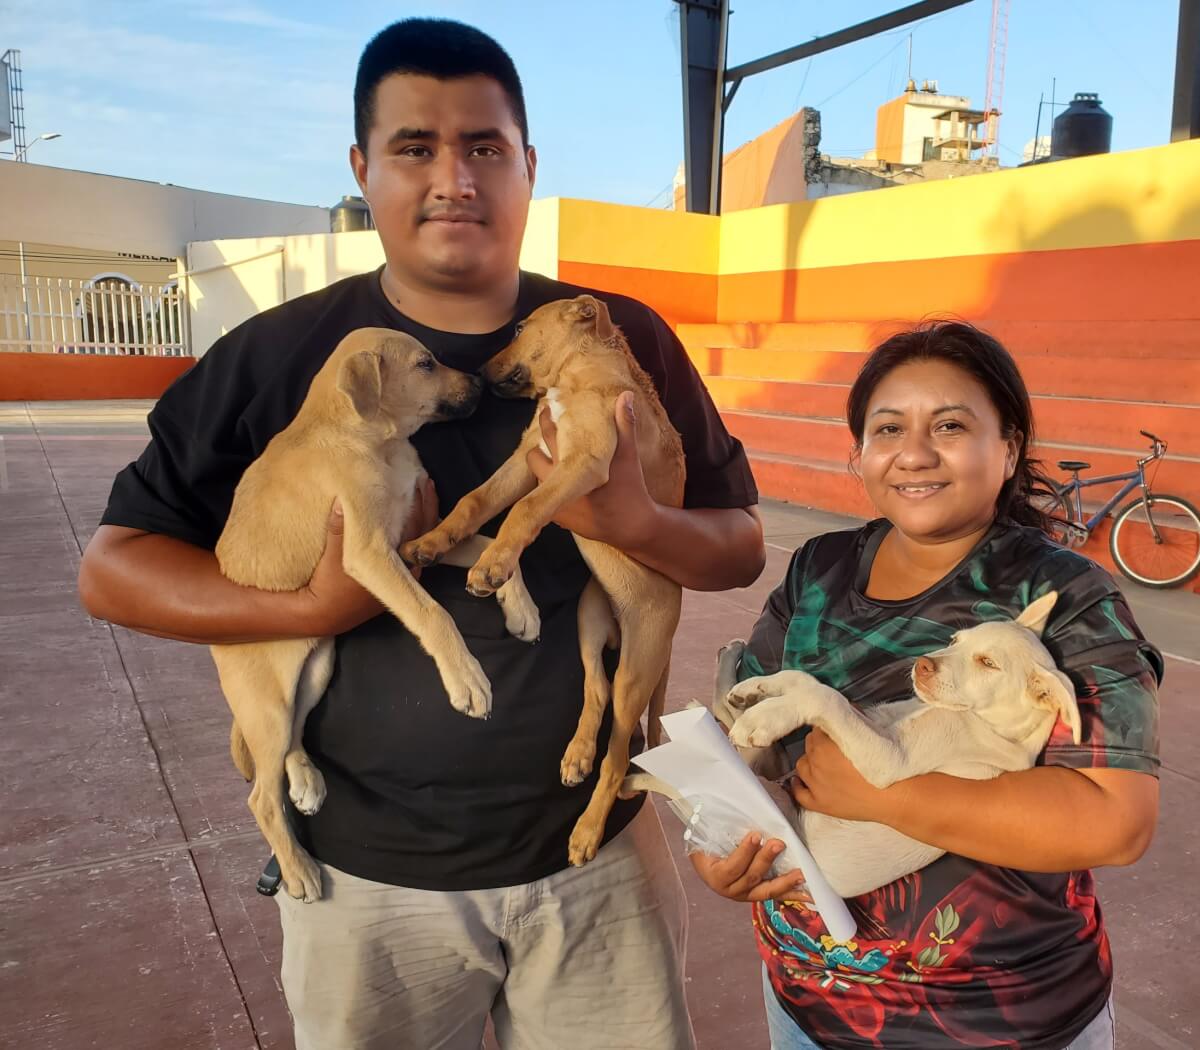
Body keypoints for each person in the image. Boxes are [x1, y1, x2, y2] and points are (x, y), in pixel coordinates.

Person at [77, 18, 765, 1050]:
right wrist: (313, 607)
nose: (454, 178)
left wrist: (640, 522)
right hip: (365, 886)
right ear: (362, 168)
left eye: (484, 147)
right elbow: (114, 568)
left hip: (597, 870)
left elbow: (741, 545)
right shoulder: (276, 357)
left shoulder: (621, 340)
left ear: (527, 167)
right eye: (414, 148)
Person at [692, 321, 1161, 1050]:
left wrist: (886, 790)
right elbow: (744, 725)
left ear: (1008, 448)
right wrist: (718, 845)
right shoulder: (820, 567)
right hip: (806, 1007)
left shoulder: (1064, 595)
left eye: (949, 425)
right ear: (859, 454)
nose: (914, 453)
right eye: (888, 428)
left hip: (999, 1021)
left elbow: (1114, 821)